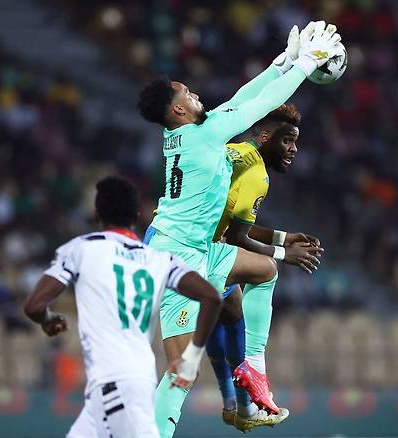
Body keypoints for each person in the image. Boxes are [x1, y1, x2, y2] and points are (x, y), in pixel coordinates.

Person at [137, 20, 341, 437]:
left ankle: (253, 372)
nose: (196, 94)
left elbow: (238, 101)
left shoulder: (187, 134)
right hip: (175, 257)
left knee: (265, 271)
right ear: (178, 110)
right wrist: (304, 66)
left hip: (197, 248)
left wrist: (278, 65)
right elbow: (254, 108)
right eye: (187, 93)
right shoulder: (205, 135)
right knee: (180, 371)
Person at [23, 176, 223, 438]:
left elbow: (34, 305)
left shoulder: (81, 250)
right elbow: (212, 297)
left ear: (96, 214)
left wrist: (48, 319)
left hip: (116, 384)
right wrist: (193, 355)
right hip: (120, 385)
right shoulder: (159, 259)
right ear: (138, 215)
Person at [207, 103, 324, 432]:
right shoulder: (256, 173)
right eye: (287, 140)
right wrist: (286, 254)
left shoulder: (233, 152)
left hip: (178, 243)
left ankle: (236, 405)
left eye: (296, 142)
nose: (293, 149)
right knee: (266, 270)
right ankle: (253, 372)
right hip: (200, 252)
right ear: (264, 136)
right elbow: (237, 236)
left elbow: (230, 223)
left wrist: (285, 237)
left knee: (229, 306)